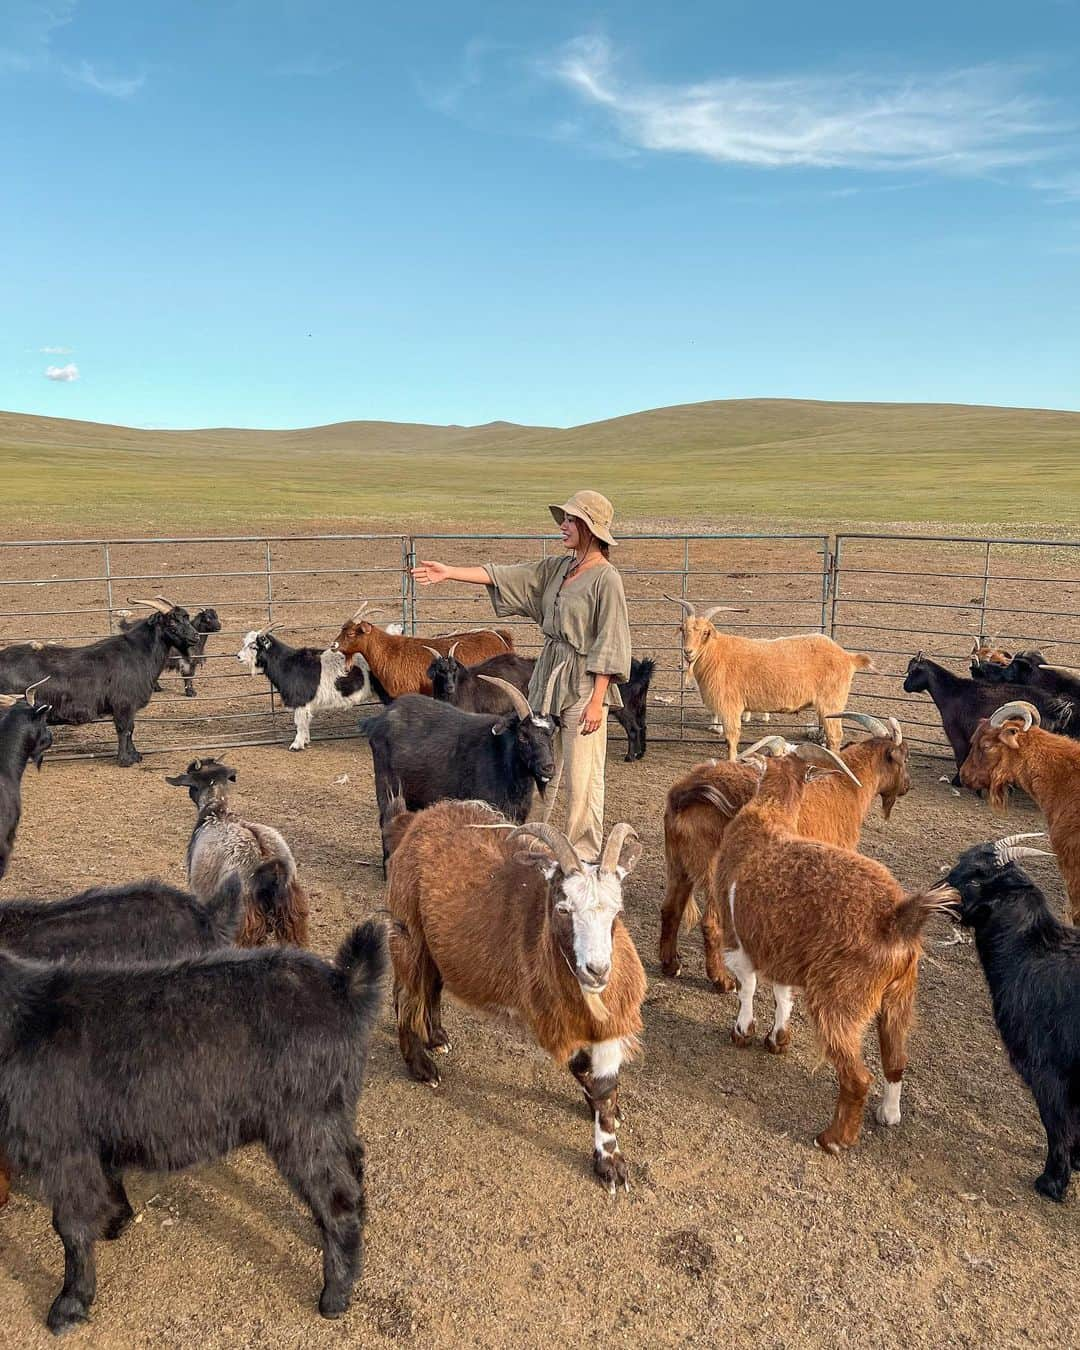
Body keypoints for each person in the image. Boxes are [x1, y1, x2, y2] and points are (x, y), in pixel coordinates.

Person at [410, 490, 631, 862]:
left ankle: (585, 853)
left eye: (571, 520)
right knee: (543, 769)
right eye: (564, 518)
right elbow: (507, 576)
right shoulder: (559, 569)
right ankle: (544, 842)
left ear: (590, 528)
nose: (563, 526)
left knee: (583, 776)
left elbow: (610, 640)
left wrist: (597, 701)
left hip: (583, 683)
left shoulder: (606, 580)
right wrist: (450, 573)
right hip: (549, 677)